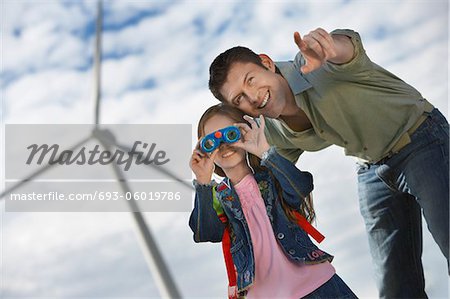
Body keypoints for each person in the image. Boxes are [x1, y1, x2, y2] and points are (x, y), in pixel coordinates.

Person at [208, 28, 449, 298]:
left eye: (251, 80)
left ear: (266, 63)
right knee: (395, 287)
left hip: (420, 140)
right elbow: (271, 188)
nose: (252, 96)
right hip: (371, 166)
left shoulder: (313, 64)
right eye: (239, 98)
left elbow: (347, 50)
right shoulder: (269, 133)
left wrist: (333, 47)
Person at [188, 104, 358, 298]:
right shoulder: (217, 198)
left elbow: (301, 187)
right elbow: (206, 232)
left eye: (230, 133)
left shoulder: (272, 175)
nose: (223, 145)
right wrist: (202, 182)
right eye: (212, 141)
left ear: (246, 130)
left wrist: (264, 151)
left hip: (318, 284)